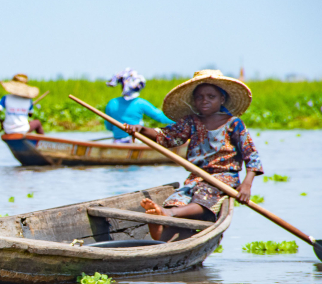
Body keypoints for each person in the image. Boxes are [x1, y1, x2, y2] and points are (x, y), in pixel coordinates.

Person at [124, 70, 263, 241]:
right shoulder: (191, 122)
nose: (205, 100)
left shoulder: (233, 123)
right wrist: (141, 130)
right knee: (177, 199)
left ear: (222, 99)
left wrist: (247, 184)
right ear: (194, 101)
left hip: (222, 179)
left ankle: (168, 214)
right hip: (196, 178)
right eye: (200, 97)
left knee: (204, 198)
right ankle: (162, 227)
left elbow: (252, 155)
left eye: (211, 96)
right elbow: (167, 136)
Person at [104, 68, 174, 143]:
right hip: (136, 141)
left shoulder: (112, 103)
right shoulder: (140, 103)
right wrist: (180, 121)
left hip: (117, 142)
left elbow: (109, 127)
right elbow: (161, 117)